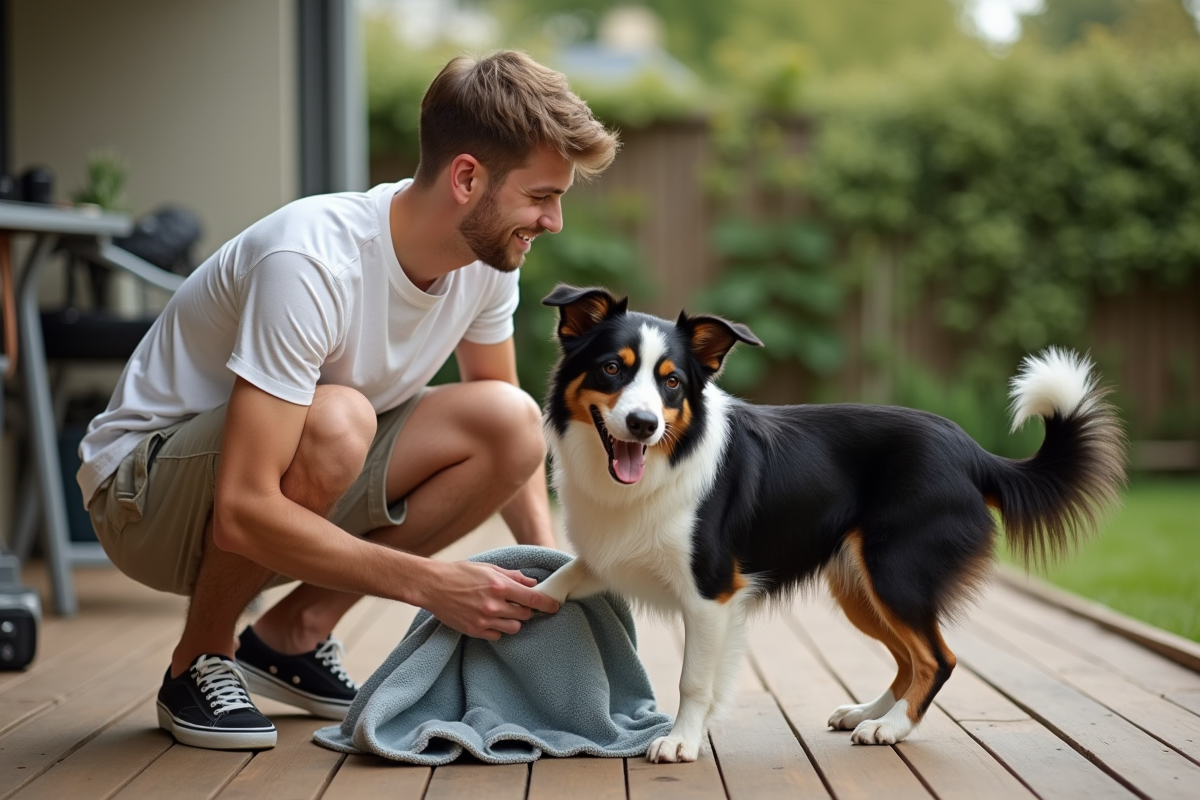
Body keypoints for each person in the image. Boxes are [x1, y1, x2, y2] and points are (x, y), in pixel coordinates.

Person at [77, 50, 620, 751]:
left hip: (281, 483)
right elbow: (244, 509)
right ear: (466, 178)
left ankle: (291, 639)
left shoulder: (485, 263)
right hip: (141, 500)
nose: (554, 221)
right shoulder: (310, 260)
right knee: (338, 419)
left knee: (510, 420)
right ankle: (198, 659)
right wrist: (428, 585)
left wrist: (552, 585)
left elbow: (502, 431)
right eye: (542, 196)